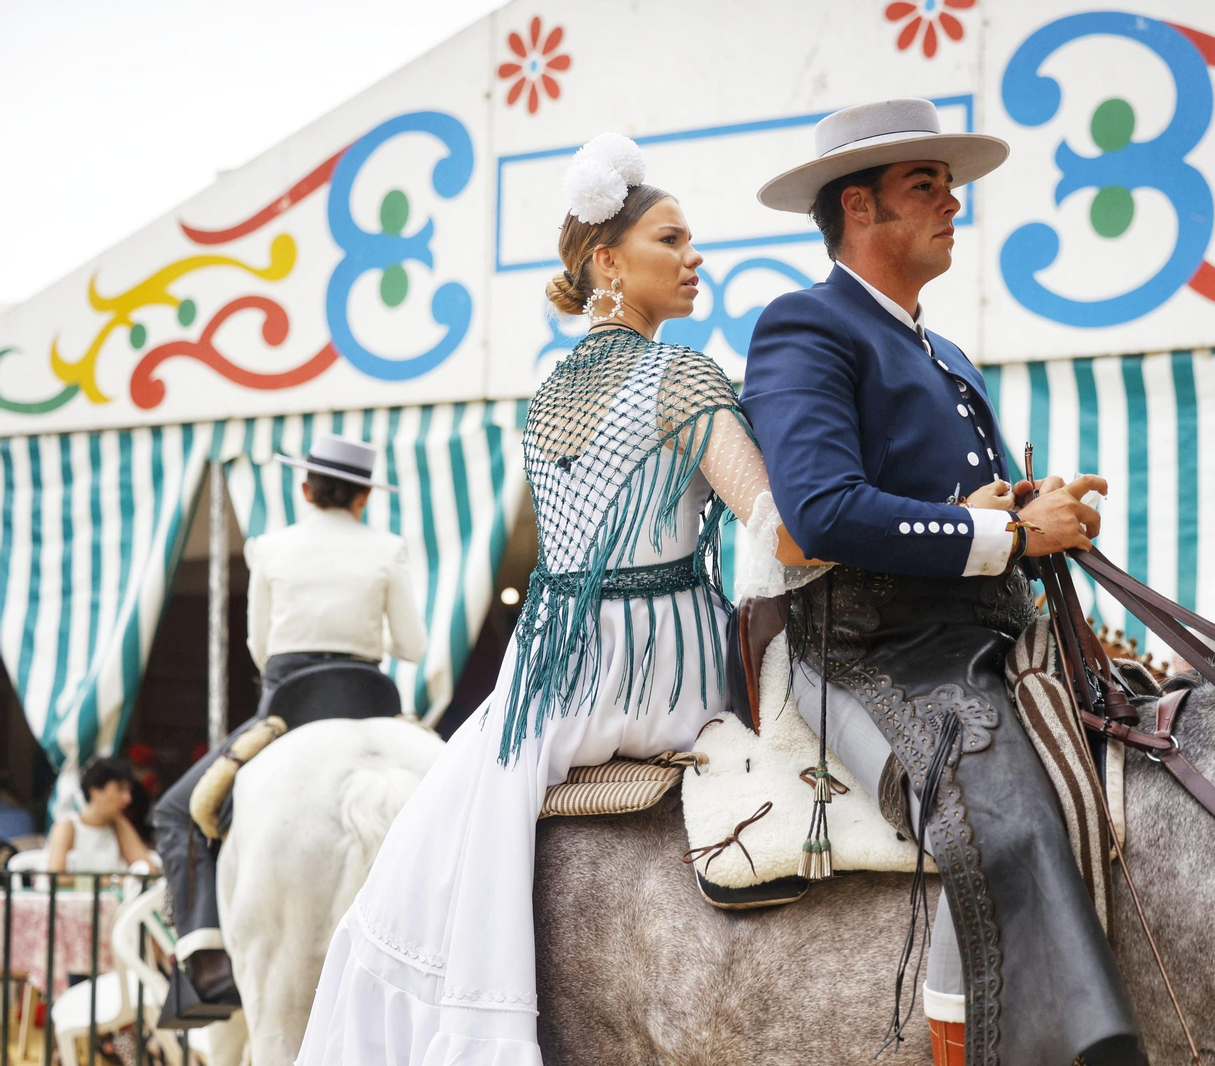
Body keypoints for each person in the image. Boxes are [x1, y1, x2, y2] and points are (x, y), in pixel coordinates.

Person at [296, 134, 815, 1065]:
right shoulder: (684, 373)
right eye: (673, 238)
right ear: (608, 262)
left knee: (434, 837)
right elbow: (771, 525)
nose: (698, 257)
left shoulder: (548, 392)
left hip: (549, 671)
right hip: (661, 667)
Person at [741, 99, 1145, 1066]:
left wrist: (1032, 506)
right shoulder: (805, 325)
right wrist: (1002, 530)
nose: (954, 202)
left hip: (981, 636)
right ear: (859, 208)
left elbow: (969, 508)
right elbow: (823, 511)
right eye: (926, 186)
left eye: (949, 185)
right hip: (865, 649)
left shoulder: (946, 352)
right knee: (998, 820)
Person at [153, 432, 427, 1022]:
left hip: (287, 705)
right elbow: (412, 644)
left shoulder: (270, 547)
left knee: (177, 811)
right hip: (371, 694)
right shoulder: (388, 547)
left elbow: (259, 647)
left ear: (305, 488)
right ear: (363, 498)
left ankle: (206, 956)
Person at [45, 757, 151, 873]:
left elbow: (148, 870)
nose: (127, 799)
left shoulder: (118, 825)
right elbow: (56, 877)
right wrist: (114, 881)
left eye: (128, 791)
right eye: (120, 789)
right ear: (95, 791)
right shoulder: (68, 826)